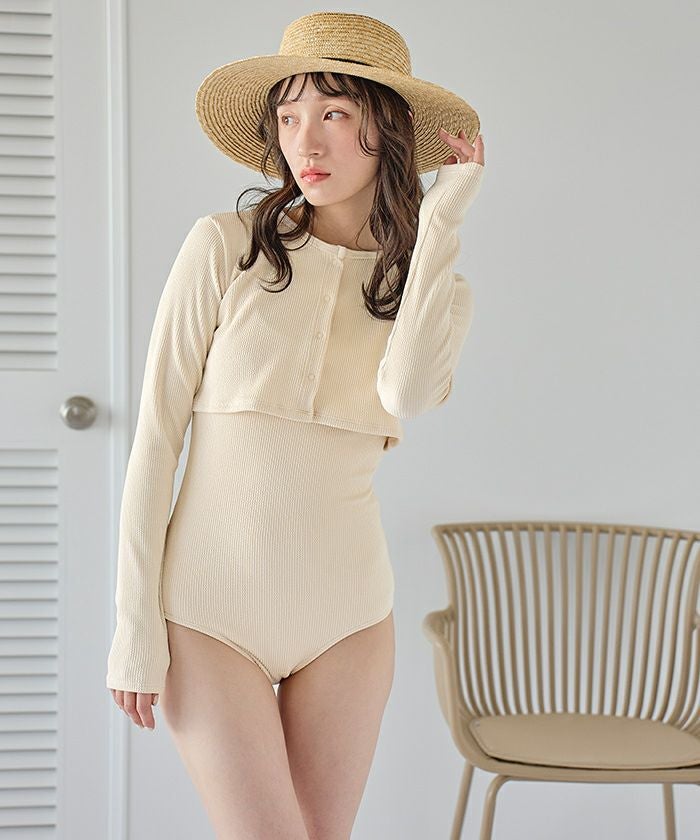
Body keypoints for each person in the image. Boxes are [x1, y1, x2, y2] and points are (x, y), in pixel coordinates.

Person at [105, 11, 485, 839]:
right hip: (209, 613)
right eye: (288, 116)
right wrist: (134, 628)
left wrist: (442, 222)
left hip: (349, 618)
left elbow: (410, 391)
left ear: (386, 131)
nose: (304, 141)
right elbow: (156, 441)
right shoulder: (224, 248)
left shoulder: (435, 291)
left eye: (334, 113)